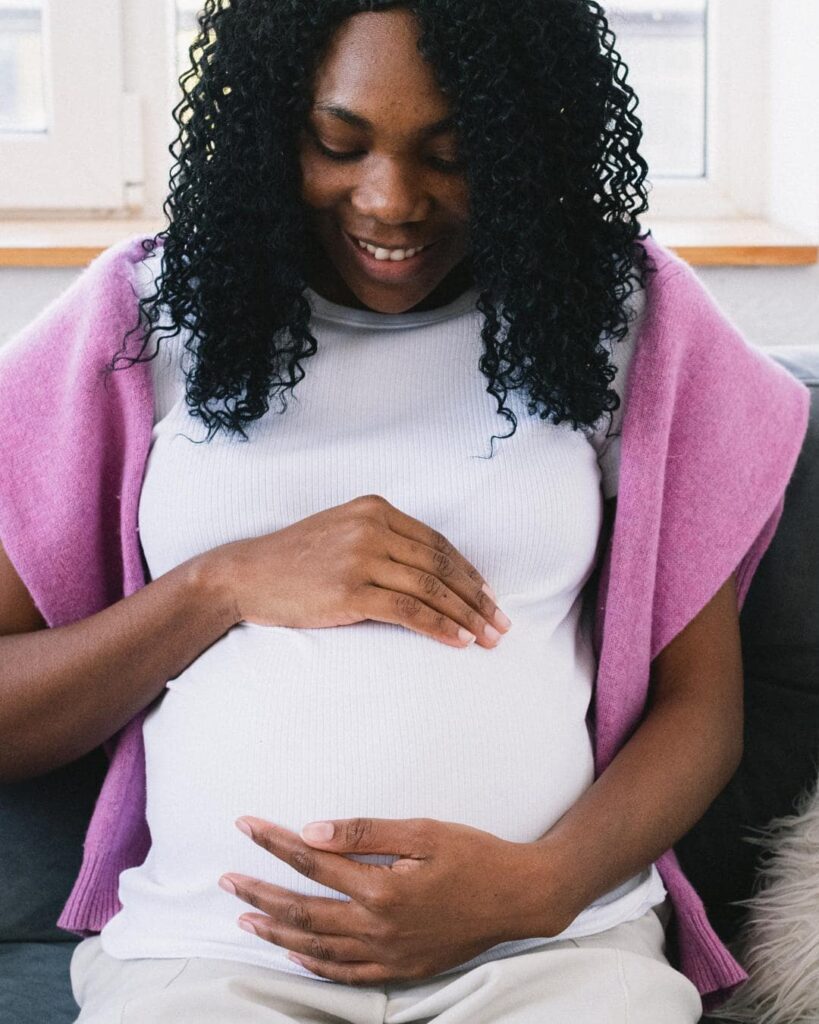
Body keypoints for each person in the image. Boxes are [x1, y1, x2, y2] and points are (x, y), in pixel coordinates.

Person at [0, 2, 810, 1022]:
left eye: (456, 152)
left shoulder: (623, 319)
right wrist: (222, 585)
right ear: (269, 126)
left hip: (554, 952)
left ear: (528, 138)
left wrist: (538, 886)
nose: (389, 201)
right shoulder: (146, 316)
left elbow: (704, 712)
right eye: (337, 144)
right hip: (210, 960)